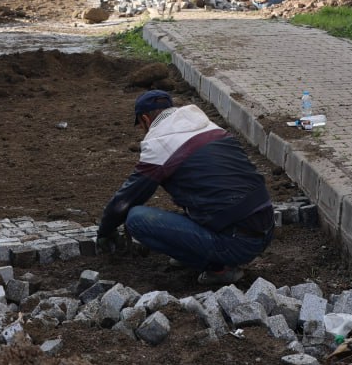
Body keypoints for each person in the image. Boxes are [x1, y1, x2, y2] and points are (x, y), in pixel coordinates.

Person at [96, 90, 274, 286]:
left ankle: (220, 268)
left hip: (236, 242)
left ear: (145, 119)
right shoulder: (210, 127)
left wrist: (105, 231)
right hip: (265, 229)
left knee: (136, 218)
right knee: (196, 195)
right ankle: (202, 251)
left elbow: (126, 199)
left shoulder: (159, 143)